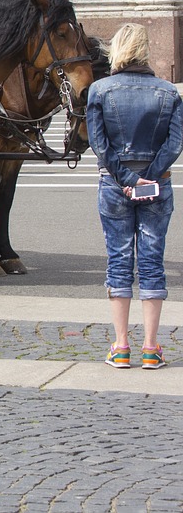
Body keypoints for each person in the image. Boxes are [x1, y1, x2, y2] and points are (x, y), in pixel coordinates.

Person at [86, 23, 183, 369]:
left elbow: (98, 144)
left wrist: (127, 177)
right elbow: (174, 143)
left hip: (114, 183)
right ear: (145, 50)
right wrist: (149, 176)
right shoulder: (168, 92)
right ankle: (151, 347)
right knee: (152, 262)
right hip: (157, 183)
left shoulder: (99, 90)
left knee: (119, 259)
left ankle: (122, 346)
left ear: (117, 50)